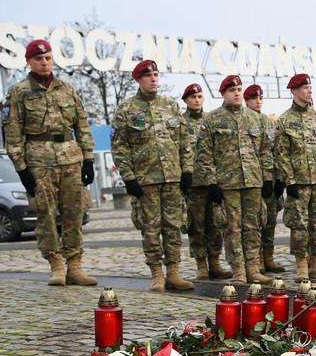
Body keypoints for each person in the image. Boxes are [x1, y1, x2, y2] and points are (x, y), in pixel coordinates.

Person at [4, 39, 97, 287]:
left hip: (71, 158)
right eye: (38, 59)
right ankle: (56, 264)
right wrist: (21, 168)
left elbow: (82, 124)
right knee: (45, 214)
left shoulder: (67, 89)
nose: (44, 63)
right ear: (29, 62)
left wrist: (88, 159)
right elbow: (12, 132)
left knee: (74, 213)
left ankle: (75, 265)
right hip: (38, 160)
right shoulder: (19, 92)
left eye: (47, 58)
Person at [111, 60, 194, 292]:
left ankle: (174, 273)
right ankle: (157, 274)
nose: (153, 79)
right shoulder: (126, 109)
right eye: (148, 76)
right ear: (138, 79)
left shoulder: (171, 106)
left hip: (172, 179)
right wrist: (128, 177)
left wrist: (187, 170)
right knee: (150, 229)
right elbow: (119, 146)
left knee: (173, 227)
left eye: (156, 74)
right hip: (145, 181)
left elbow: (184, 141)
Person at [196, 75, 274, 286]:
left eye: (239, 89)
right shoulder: (211, 120)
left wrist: (267, 178)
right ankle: (238, 270)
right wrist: (211, 182)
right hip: (226, 184)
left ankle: (253, 268)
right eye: (232, 90)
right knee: (232, 228)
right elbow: (204, 155)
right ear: (223, 94)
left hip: (253, 181)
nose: (237, 93)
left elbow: (265, 151)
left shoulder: (255, 118)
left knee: (254, 226)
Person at [274, 73, 316, 281]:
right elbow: (281, 154)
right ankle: (302, 265)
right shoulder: (284, 121)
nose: (309, 90)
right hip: (298, 183)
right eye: (304, 87)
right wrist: (289, 180)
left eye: (310, 86)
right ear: (294, 91)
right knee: (299, 225)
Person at [180, 83, 230, 280]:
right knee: (196, 224)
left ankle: (215, 262)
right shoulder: (181, 123)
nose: (197, 100)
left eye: (200, 96)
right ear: (186, 100)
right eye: (193, 97)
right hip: (193, 183)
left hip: (214, 181)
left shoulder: (212, 120)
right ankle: (201, 265)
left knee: (215, 224)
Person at [245, 84, 283, 274]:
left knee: (270, 220)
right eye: (254, 98)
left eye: (260, 98)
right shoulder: (244, 121)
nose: (258, 101)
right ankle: (257, 258)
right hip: (253, 179)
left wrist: (278, 178)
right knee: (256, 220)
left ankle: (269, 257)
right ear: (247, 101)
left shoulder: (269, 122)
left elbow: (276, 151)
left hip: (271, 179)